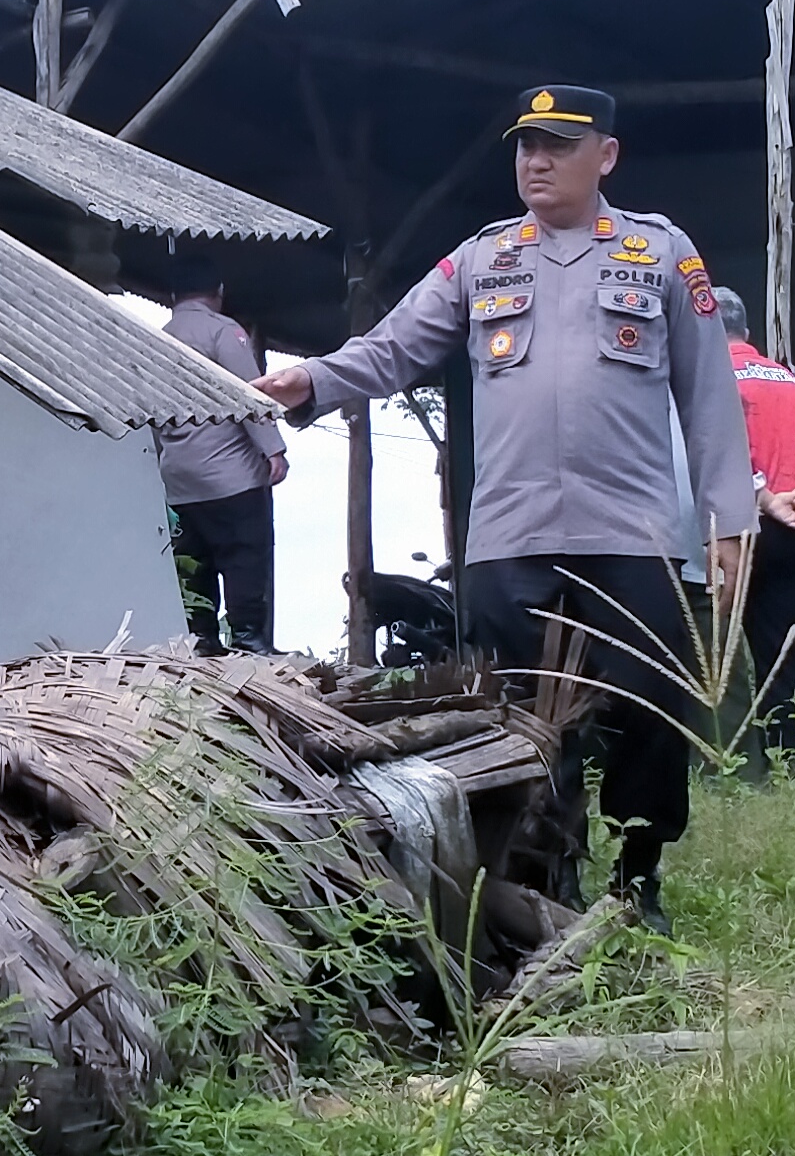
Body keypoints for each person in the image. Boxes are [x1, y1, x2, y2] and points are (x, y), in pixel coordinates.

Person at [254, 85, 753, 933]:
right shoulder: (481, 261)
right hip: (509, 540)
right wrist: (316, 377)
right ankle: (542, 884)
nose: (537, 161)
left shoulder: (661, 254)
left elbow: (709, 394)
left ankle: (640, 878)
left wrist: (728, 520)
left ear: (607, 155)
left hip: (629, 533)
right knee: (522, 719)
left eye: (559, 145)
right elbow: (396, 346)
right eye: (526, 145)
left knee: (645, 714)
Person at [709, 286, 795, 770]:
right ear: (747, 333)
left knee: (714, 652)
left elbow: (712, 455)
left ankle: (726, 764)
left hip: (735, 532)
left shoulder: (709, 381)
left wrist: (765, 497)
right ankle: (790, 761)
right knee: (784, 654)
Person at [154, 257, 286, 653]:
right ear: (219, 292)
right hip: (231, 475)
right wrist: (273, 449)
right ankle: (249, 639)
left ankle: (202, 641)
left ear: (174, 295)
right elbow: (249, 394)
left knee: (195, 560)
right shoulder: (224, 333)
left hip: (178, 478)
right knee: (246, 553)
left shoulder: (156, 338)